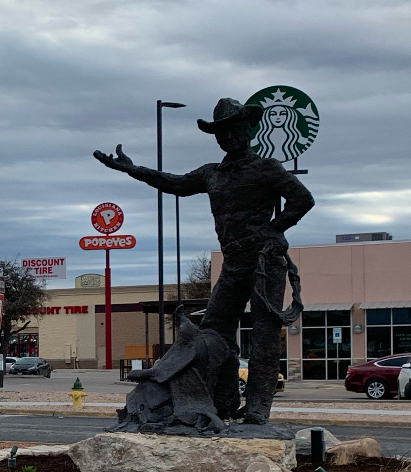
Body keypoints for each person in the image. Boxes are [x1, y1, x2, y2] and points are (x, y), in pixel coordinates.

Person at [94, 98, 314, 425]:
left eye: (234, 130)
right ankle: (223, 403)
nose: (228, 137)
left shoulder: (266, 168)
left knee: (264, 336)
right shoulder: (213, 174)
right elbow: (176, 183)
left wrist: (273, 229)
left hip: (264, 261)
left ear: (248, 130)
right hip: (234, 262)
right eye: (221, 133)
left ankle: (257, 411)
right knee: (213, 334)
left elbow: (302, 199)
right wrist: (132, 169)